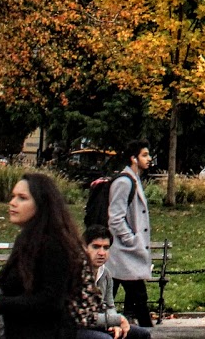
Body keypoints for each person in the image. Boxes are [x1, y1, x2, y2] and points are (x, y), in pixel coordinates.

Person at [0, 173, 87, 339]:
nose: (12, 203)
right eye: (13, 196)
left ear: (42, 204)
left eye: (22, 198)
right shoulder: (28, 240)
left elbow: (50, 301)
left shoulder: (54, 243)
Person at [107, 139, 154, 326]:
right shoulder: (124, 182)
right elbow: (115, 217)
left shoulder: (134, 179)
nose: (149, 158)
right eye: (144, 155)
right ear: (133, 158)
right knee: (138, 298)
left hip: (125, 253)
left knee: (111, 294)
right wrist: (132, 240)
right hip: (123, 252)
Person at [78, 225, 152, 339]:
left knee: (141, 334)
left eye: (106, 248)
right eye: (96, 247)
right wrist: (115, 320)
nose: (102, 253)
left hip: (99, 323)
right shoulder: (76, 273)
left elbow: (110, 306)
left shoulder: (106, 273)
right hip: (78, 327)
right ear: (84, 248)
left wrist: (114, 324)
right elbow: (81, 315)